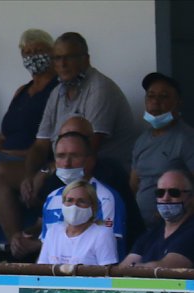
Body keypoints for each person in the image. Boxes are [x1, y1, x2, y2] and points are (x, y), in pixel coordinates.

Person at [15, 32, 138, 217]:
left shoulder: (100, 88)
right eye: (57, 58)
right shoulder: (57, 91)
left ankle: (43, 230)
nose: (62, 64)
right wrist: (29, 175)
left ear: (86, 59)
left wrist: (45, 171)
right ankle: (15, 242)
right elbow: (41, 144)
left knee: (52, 184)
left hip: (103, 167)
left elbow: (89, 149)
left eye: (69, 57)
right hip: (66, 164)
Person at [11, 131, 126, 262]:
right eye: (61, 156)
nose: (66, 163)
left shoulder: (105, 197)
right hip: (54, 278)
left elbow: (107, 249)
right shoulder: (52, 197)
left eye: (74, 156)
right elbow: (47, 252)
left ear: (90, 160)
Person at [0, 29, 58, 192]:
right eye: (27, 52)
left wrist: (7, 153)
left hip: (30, 158)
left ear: (52, 52)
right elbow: (2, 135)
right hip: (3, 154)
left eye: (38, 51)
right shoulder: (21, 91)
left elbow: (45, 145)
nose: (32, 56)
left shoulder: (57, 90)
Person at [130, 72, 194, 227]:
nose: (156, 102)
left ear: (177, 101)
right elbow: (133, 184)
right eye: (151, 96)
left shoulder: (186, 138)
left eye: (164, 97)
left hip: (173, 224)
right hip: (141, 225)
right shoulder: (142, 139)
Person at [119, 170, 194, 269]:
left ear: (191, 197)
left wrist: (134, 268)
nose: (165, 198)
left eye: (174, 193)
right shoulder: (151, 234)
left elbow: (168, 267)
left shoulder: (191, 231)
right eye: (160, 193)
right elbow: (122, 268)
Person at [37, 179, 117, 266]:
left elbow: (107, 274)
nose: (74, 206)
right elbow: (42, 268)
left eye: (81, 201)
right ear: (63, 203)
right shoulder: (53, 232)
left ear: (93, 207)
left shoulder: (102, 234)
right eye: (70, 200)